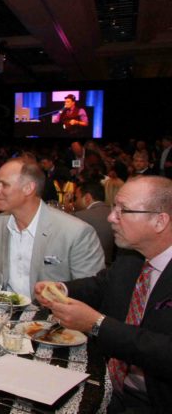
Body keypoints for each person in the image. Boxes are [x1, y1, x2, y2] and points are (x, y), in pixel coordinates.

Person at [34, 176, 172, 413]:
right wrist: (61, 289)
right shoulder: (131, 257)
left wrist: (97, 324)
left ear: (160, 221)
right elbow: (101, 285)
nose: (110, 218)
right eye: (113, 208)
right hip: (106, 381)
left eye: (122, 211)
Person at [0, 158, 105, 297]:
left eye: (4, 185)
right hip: (4, 307)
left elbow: (90, 292)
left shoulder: (75, 232)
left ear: (28, 188)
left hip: (50, 310)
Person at [73, 179, 116, 266]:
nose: (74, 202)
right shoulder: (115, 214)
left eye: (76, 198)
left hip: (87, 267)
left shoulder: (79, 217)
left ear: (87, 198)